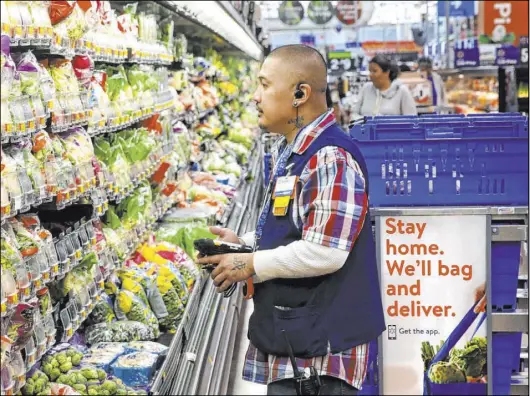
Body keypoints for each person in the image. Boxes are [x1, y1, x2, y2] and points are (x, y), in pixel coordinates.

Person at [197, 44, 386, 395]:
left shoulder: (330, 157)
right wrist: (244, 243)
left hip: (323, 356)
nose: (254, 97)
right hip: (299, 341)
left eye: (264, 85)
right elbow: (301, 225)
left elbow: (326, 251)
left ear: (300, 93)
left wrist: (252, 263)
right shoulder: (295, 150)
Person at [352, 54, 417, 116]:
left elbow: (411, 119)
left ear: (387, 73)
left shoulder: (401, 91)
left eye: (374, 71)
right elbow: (354, 114)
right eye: (370, 71)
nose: (370, 75)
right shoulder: (366, 89)